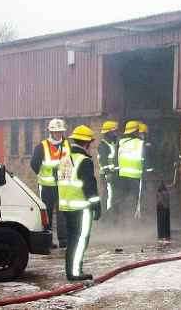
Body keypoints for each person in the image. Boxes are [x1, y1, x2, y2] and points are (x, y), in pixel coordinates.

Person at [57, 125, 101, 281]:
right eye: (91, 143)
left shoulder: (64, 159)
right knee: (81, 239)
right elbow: (89, 186)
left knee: (72, 240)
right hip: (82, 208)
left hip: (66, 207)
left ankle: (72, 270)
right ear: (86, 143)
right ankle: (75, 272)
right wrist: (96, 205)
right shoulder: (84, 161)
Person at [31, 118, 69, 248]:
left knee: (62, 213)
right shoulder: (42, 146)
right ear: (51, 132)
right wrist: (44, 175)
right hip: (46, 186)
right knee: (46, 213)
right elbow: (34, 164)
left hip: (62, 185)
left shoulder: (67, 145)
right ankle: (47, 241)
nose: (58, 134)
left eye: (60, 131)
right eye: (55, 132)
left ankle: (63, 240)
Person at [118, 120, 144, 221]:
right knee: (135, 199)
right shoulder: (140, 143)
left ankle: (122, 219)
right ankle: (133, 220)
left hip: (122, 175)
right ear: (135, 131)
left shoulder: (121, 143)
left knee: (124, 198)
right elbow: (146, 159)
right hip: (136, 176)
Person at [97, 120, 119, 213]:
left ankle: (111, 214)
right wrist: (107, 174)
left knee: (113, 195)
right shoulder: (103, 145)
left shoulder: (112, 144)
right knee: (108, 195)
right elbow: (103, 161)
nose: (115, 133)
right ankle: (107, 216)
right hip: (107, 175)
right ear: (108, 132)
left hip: (113, 174)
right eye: (114, 131)